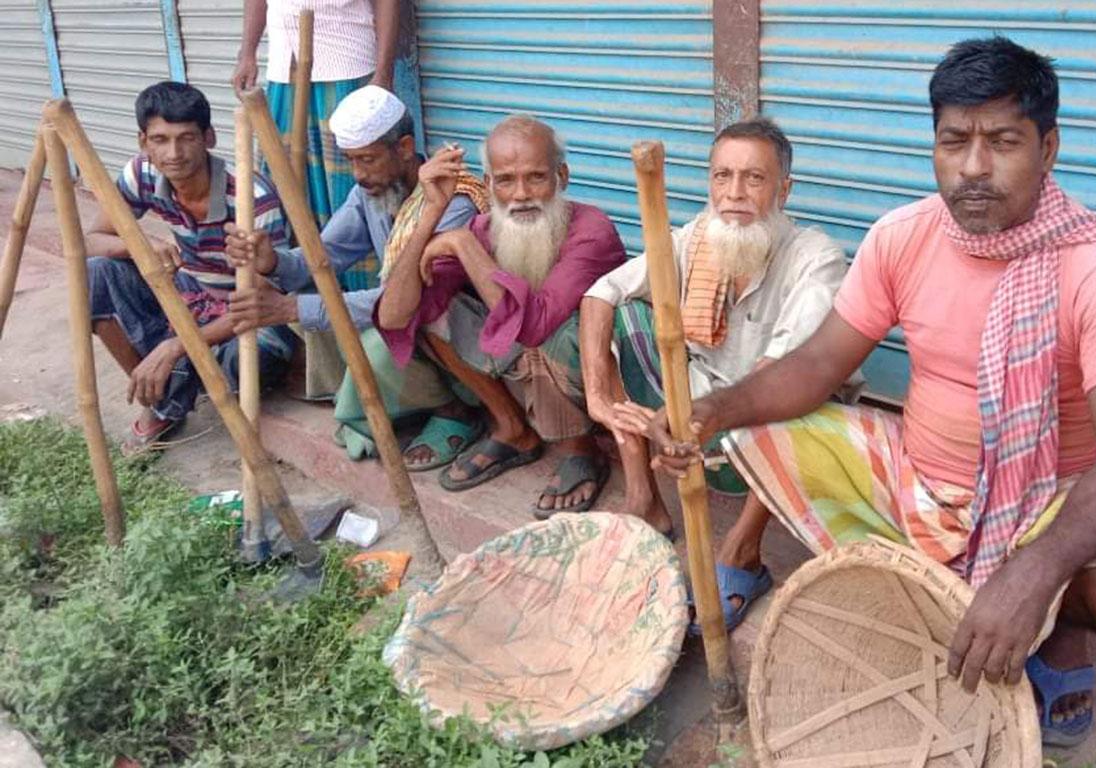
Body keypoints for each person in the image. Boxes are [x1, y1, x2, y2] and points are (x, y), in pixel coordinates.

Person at [638, 37, 1096, 748]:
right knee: (754, 427)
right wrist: (711, 412)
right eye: (953, 140)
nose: (974, 168)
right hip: (919, 480)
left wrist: (1035, 568)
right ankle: (922, 579)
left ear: (1048, 149)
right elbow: (817, 367)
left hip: (1049, 497)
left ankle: (1059, 632)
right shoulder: (904, 234)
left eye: (1003, 141)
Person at [579, 117, 850, 627]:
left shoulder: (815, 259)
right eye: (722, 177)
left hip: (770, 402)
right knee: (624, 319)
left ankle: (742, 549)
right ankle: (645, 495)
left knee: (798, 403)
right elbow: (601, 292)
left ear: (783, 190)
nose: (734, 193)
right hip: (701, 393)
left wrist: (699, 418)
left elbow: (786, 373)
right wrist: (599, 398)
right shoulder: (697, 238)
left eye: (754, 178)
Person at [375, 114, 627, 513]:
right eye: (506, 180)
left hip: (587, 376)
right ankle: (512, 427)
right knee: (432, 310)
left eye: (536, 177)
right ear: (489, 185)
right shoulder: (482, 229)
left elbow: (536, 326)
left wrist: (460, 243)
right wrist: (431, 214)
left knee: (555, 329)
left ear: (562, 176)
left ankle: (581, 447)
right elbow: (393, 316)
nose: (521, 193)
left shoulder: (593, 230)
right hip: (523, 368)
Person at [224, 85, 486, 465]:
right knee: (314, 311)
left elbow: (410, 305)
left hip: (457, 333)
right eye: (351, 161)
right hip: (404, 316)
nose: (358, 174)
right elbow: (321, 260)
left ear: (405, 147)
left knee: (369, 335)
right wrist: (271, 262)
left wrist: (290, 308)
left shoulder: (454, 202)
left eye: (367, 160)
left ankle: (460, 408)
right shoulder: (371, 193)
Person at [83, 81, 296, 454]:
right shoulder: (142, 175)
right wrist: (141, 243)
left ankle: (171, 381)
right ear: (143, 142)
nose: (174, 153)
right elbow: (93, 239)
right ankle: (161, 396)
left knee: (254, 358)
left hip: (247, 312)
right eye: (160, 140)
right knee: (97, 272)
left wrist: (173, 348)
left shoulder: (251, 199)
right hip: (190, 295)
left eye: (186, 138)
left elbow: (265, 301)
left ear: (209, 138)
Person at [233, 0, 401, 274]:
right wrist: (247, 54)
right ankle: (296, 282)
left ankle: (365, 295)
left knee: (353, 184)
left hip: (346, 65)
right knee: (284, 185)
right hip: (284, 70)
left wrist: (384, 73)